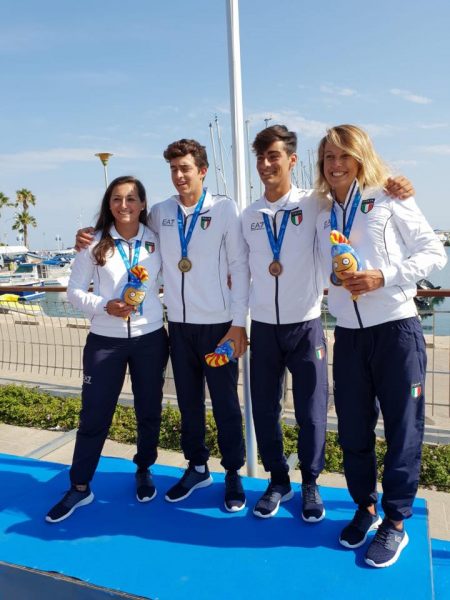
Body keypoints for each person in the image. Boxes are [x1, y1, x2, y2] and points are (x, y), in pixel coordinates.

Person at [241, 125, 414, 522]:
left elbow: (356, 186)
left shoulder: (314, 203)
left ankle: (310, 483)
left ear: (293, 161)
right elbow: (237, 269)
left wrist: (396, 182)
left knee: (313, 412)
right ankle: (278, 480)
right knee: (265, 411)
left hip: (307, 324)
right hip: (263, 325)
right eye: (261, 158)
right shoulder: (248, 215)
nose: (267, 165)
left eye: (275, 157)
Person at [76, 140, 249, 512]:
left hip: (218, 325)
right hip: (179, 327)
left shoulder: (224, 209)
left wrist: (239, 324)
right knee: (188, 404)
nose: (179, 175)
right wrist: (86, 235)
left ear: (202, 170)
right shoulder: (160, 212)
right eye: (173, 169)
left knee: (225, 405)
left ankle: (232, 473)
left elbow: (239, 266)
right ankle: (197, 466)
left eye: (185, 168)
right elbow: (125, 226)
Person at [315, 124, 447, 567]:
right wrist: (336, 278)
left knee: (402, 431)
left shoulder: (389, 198)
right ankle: (365, 507)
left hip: (396, 331)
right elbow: (321, 268)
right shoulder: (321, 213)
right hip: (348, 335)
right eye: (328, 158)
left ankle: (395, 523)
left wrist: (383, 277)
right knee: (352, 430)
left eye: (343, 157)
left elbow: (434, 252)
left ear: (359, 158)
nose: (335, 165)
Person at [46, 176, 169, 523]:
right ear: (109, 204)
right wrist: (105, 306)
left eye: (131, 199)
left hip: (150, 338)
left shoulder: (157, 241)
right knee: (94, 416)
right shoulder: (94, 242)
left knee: (149, 411)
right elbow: (73, 292)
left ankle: (144, 469)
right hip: (104, 340)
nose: (124, 205)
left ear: (143, 204)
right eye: (117, 199)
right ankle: (80, 486)